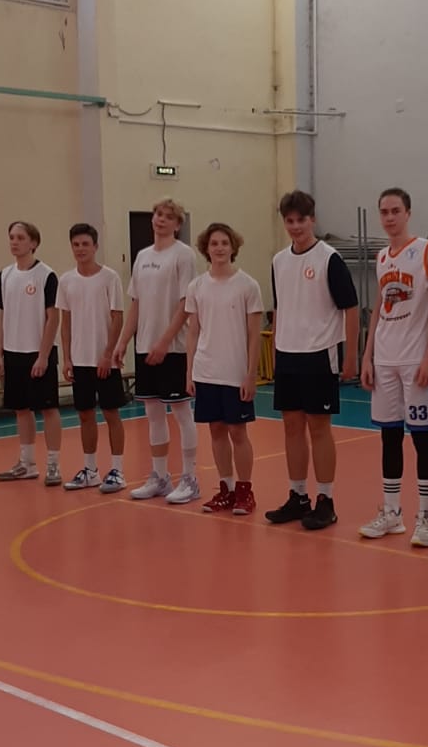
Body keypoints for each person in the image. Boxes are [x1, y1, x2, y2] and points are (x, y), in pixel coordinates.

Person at [265, 190, 359, 532]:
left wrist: (351, 356)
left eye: (301, 220)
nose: (295, 227)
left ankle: (326, 500)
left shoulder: (329, 259)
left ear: (312, 220)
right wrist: (276, 350)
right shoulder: (278, 261)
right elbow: (280, 308)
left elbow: (350, 308)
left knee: (319, 428)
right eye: (289, 221)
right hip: (288, 354)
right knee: (291, 426)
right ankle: (298, 495)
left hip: (320, 354)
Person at [358, 187, 428, 548]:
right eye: (384, 212)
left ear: (408, 212)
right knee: (389, 437)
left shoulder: (427, 249)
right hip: (385, 360)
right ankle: (392, 512)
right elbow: (378, 309)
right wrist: (367, 356)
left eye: (395, 210)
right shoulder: (381, 257)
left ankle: (426, 517)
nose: (390, 217)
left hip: (414, 360)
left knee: (422, 438)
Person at [111, 199, 199, 504]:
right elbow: (136, 303)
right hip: (145, 345)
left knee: (181, 411)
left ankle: (190, 478)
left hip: (172, 347)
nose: (161, 219)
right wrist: (123, 341)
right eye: (158, 214)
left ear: (177, 224)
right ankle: (160, 477)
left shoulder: (183, 255)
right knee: (153, 413)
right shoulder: (142, 256)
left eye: (168, 217)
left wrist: (164, 341)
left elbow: (185, 303)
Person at [184, 222, 264, 516]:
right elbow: (193, 332)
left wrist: (250, 374)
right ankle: (226, 490)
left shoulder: (248, 285)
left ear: (233, 247)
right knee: (216, 431)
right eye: (214, 243)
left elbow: (254, 335)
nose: (219, 248)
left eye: (224, 243)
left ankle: (245, 491)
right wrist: (189, 372)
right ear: (206, 248)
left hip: (235, 372)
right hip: (206, 370)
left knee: (237, 432)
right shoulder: (196, 287)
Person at [56, 222, 126, 493]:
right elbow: (65, 322)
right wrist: (67, 358)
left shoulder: (110, 278)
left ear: (95, 246)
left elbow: (117, 317)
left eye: (85, 244)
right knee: (85, 414)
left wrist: (108, 355)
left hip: (104, 361)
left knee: (111, 413)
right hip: (80, 360)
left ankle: (117, 470)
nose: (81, 249)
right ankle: (90, 470)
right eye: (76, 244)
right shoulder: (66, 280)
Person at [0, 219, 62, 485]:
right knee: (21, 409)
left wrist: (43, 356)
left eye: (20, 238)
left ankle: (53, 465)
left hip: (38, 352)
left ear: (33, 243)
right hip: (13, 352)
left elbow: (53, 318)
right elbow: (2, 317)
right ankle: (27, 463)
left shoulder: (46, 275)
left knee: (48, 409)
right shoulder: (4, 275)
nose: (14, 242)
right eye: (12, 237)